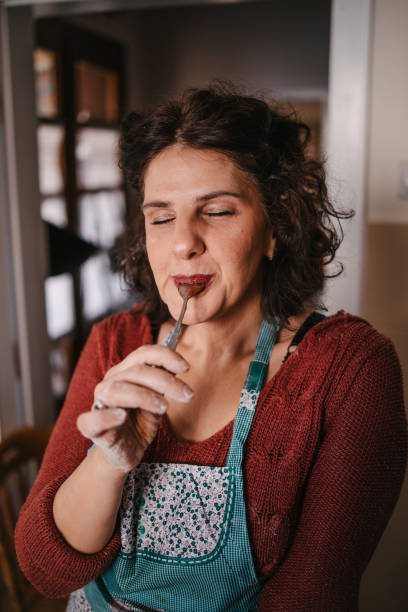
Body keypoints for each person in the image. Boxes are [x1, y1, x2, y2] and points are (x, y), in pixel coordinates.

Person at [15, 83, 407, 612]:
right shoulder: (115, 343)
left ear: (278, 222)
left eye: (217, 211)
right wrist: (107, 463)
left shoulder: (350, 370)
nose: (183, 242)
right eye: (161, 217)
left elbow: (313, 595)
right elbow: (47, 569)